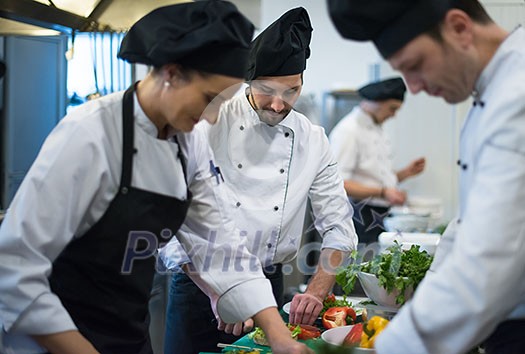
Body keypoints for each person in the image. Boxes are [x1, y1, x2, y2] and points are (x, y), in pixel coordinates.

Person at [0, 2, 313, 354]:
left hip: (129, 334)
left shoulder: (188, 143)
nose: (212, 118)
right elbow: (15, 270)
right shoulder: (89, 133)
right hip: (57, 337)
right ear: (171, 72)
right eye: (209, 99)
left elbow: (220, 243)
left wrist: (279, 336)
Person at [328, 0, 525, 353]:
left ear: (460, 28)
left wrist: (394, 345)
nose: (414, 88)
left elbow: (489, 263)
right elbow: (468, 226)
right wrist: (420, 303)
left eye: (415, 66)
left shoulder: (517, 95)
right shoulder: (491, 94)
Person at [161, 7, 357, 354]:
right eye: (268, 90)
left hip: (268, 284)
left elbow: (339, 228)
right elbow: (174, 219)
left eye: (292, 91)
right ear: (249, 79)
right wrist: (220, 290)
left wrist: (316, 290)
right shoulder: (210, 122)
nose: (280, 104)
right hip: (200, 286)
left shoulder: (313, 139)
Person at [329, 77, 425, 244]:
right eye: (392, 108)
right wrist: (383, 192)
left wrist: (406, 173)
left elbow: (372, 175)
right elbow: (338, 182)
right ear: (375, 102)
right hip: (360, 214)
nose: (393, 115)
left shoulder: (377, 129)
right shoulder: (348, 130)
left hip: (380, 213)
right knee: (363, 265)